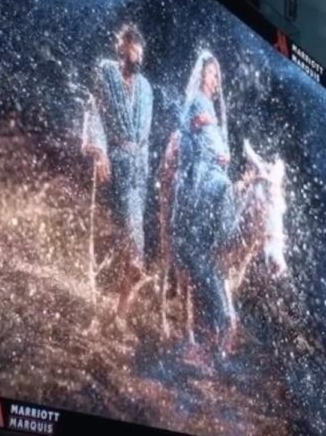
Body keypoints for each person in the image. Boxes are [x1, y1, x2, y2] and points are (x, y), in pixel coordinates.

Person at [83, 24, 154, 316]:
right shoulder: (106, 73)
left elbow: (146, 136)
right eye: (129, 48)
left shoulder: (146, 89)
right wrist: (100, 152)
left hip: (139, 170)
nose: (135, 54)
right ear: (120, 48)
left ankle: (121, 307)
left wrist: (144, 168)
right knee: (131, 236)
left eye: (138, 50)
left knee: (134, 235)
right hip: (116, 161)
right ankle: (118, 295)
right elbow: (95, 112)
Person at [171, 50, 237, 354]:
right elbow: (185, 124)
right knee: (225, 189)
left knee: (229, 187)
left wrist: (224, 155)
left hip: (214, 169)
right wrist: (196, 122)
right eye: (211, 73)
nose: (215, 79)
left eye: (217, 75)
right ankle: (223, 239)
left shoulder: (214, 107)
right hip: (200, 172)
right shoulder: (196, 100)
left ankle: (221, 241)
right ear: (202, 75)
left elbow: (218, 143)